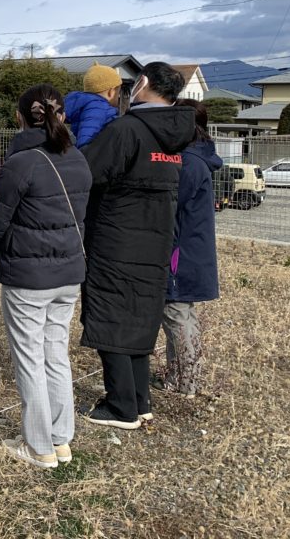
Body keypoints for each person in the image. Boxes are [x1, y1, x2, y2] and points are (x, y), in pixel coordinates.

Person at [78, 62, 194, 429]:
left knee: (111, 316)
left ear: (142, 83)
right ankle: (140, 399)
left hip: (115, 237)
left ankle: (120, 406)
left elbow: (87, 172)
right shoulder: (175, 135)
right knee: (141, 317)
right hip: (158, 239)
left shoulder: (127, 130)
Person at [0, 84, 92, 469]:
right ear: (61, 115)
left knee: (30, 357)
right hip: (69, 273)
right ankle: (61, 440)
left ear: (18, 117)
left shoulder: (20, 162)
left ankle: (38, 447)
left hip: (28, 277)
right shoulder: (78, 159)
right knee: (55, 353)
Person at [159, 99, 221, 399]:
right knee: (183, 315)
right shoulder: (199, 158)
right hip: (190, 250)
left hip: (179, 255)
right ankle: (180, 378)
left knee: (176, 313)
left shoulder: (189, 163)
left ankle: (186, 383)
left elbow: (171, 204)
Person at [63, 63, 121, 148]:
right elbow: (85, 140)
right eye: (118, 92)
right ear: (111, 92)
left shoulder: (86, 105)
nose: (119, 96)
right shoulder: (98, 107)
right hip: (91, 158)